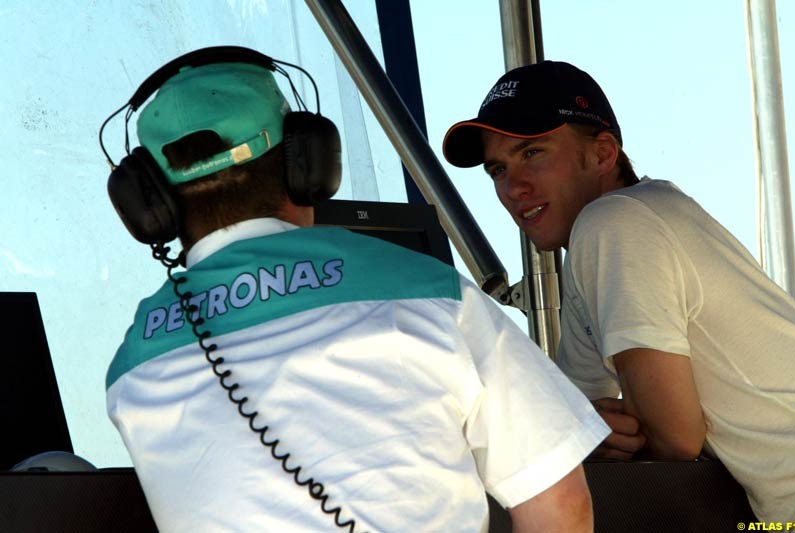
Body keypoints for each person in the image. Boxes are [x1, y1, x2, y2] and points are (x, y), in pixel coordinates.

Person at [104, 47, 610, 532]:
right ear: (306, 162)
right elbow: (560, 506)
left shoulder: (132, 370)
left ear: (148, 203)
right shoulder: (428, 291)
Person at [442, 60, 795, 522]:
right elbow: (571, 419)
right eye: (497, 170)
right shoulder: (603, 240)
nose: (513, 187)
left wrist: (591, 427)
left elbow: (673, 436)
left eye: (533, 153)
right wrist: (589, 426)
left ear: (603, 154)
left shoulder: (615, 223)